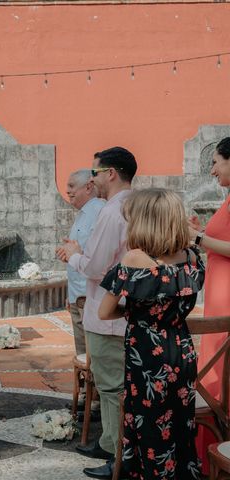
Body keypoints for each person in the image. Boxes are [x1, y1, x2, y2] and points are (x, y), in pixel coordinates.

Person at [99, 188, 203, 479]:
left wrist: (134, 314)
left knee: (148, 427)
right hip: (181, 349)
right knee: (180, 424)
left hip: (146, 355)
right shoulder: (192, 257)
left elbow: (105, 312)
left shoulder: (134, 259)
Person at [56, 146, 136, 479]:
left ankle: (118, 458)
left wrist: (74, 254)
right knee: (111, 386)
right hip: (121, 309)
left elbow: (98, 266)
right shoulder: (136, 203)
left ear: (111, 173)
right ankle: (108, 444)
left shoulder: (111, 211)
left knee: (112, 388)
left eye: (95, 173)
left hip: (106, 313)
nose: (92, 179)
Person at [189, 136, 230, 470]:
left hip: (228, 295)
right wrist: (201, 233)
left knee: (222, 364)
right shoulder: (227, 198)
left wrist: (198, 238)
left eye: (216, 162)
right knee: (215, 362)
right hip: (219, 291)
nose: (212, 169)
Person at [63, 169, 105, 356]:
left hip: (89, 295)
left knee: (92, 354)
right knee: (83, 353)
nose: (68, 191)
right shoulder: (83, 213)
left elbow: (98, 256)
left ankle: (92, 386)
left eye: (72, 186)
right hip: (77, 294)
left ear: (88, 186)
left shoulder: (99, 212)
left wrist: (75, 253)